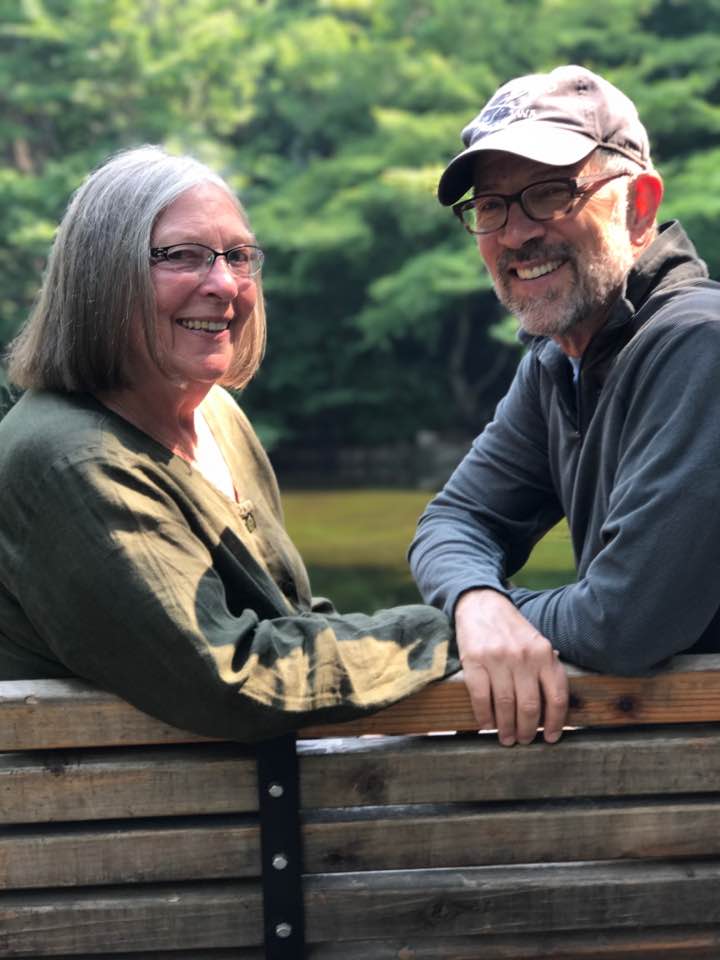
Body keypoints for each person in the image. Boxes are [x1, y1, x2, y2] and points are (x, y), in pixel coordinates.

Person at [0, 145, 459, 741]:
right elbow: (235, 673)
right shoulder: (73, 461)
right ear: (101, 276)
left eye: (238, 256)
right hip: (136, 800)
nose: (223, 283)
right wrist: (455, 632)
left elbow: (289, 615)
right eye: (181, 256)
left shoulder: (215, 413)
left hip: (251, 787)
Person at [409, 64, 720, 748]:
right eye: (492, 206)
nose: (515, 234)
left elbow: (624, 621)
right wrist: (475, 602)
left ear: (639, 207)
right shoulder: (558, 362)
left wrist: (492, 620)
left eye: (550, 194)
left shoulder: (700, 345)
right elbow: (453, 521)